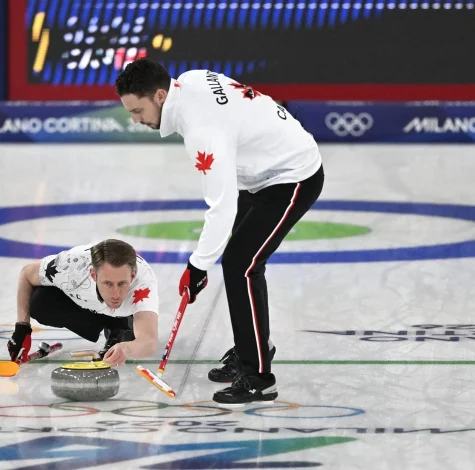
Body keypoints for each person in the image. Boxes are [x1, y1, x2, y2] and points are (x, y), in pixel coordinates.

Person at [114, 58, 325, 405]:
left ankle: (259, 378)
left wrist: (197, 266)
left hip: (292, 176)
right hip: (260, 173)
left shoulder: (202, 133)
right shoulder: (191, 80)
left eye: (138, 111)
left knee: (241, 264)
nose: (136, 120)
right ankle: (255, 347)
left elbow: (222, 206)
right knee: (240, 262)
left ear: (160, 96)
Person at [8, 239, 159, 367]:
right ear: (93, 274)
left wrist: (127, 348)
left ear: (132, 276)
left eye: (122, 283)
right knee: (40, 303)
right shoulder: (69, 268)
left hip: (125, 311)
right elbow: (27, 274)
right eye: (107, 283)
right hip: (86, 299)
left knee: (131, 330)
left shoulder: (143, 284)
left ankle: (120, 326)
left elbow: (149, 341)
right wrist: (22, 328)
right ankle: (107, 322)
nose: (115, 294)